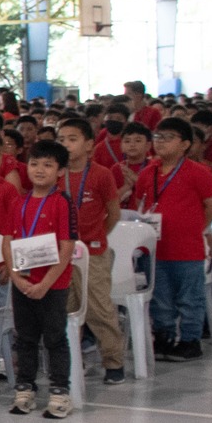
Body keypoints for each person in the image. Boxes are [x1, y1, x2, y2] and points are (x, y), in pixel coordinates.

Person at [133, 119, 212, 362]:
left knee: (190, 297)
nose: (160, 142)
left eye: (168, 137)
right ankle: (164, 336)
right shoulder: (149, 171)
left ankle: (191, 340)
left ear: (185, 144)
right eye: (158, 137)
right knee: (160, 296)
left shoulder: (198, 172)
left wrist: (196, 227)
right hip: (157, 247)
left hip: (188, 247)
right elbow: (141, 201)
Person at [0, 141, 74, 419]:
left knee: (55, 337)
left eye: (48, 165)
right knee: (25, 337)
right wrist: (17, 278)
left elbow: (67, 247)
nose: (39, 170)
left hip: (52, 285)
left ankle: (59, 391)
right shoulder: (19, 202)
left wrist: (46, 283)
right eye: (34, 163)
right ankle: (25, 389)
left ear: (60, 171)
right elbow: (7, 241)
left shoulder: (62, 202)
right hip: (24, 282)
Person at [56, 117, 125, 386]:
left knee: (98, 308)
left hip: (93, 251)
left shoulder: (101, 174)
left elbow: (114, 213)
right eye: (61, 140)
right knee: (66, 308)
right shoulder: (55, 173)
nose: (66, 145)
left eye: (72, 139)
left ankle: (113, 361)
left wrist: (96, 238)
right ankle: (71, 361)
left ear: (88, 144)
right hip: (62, 251)